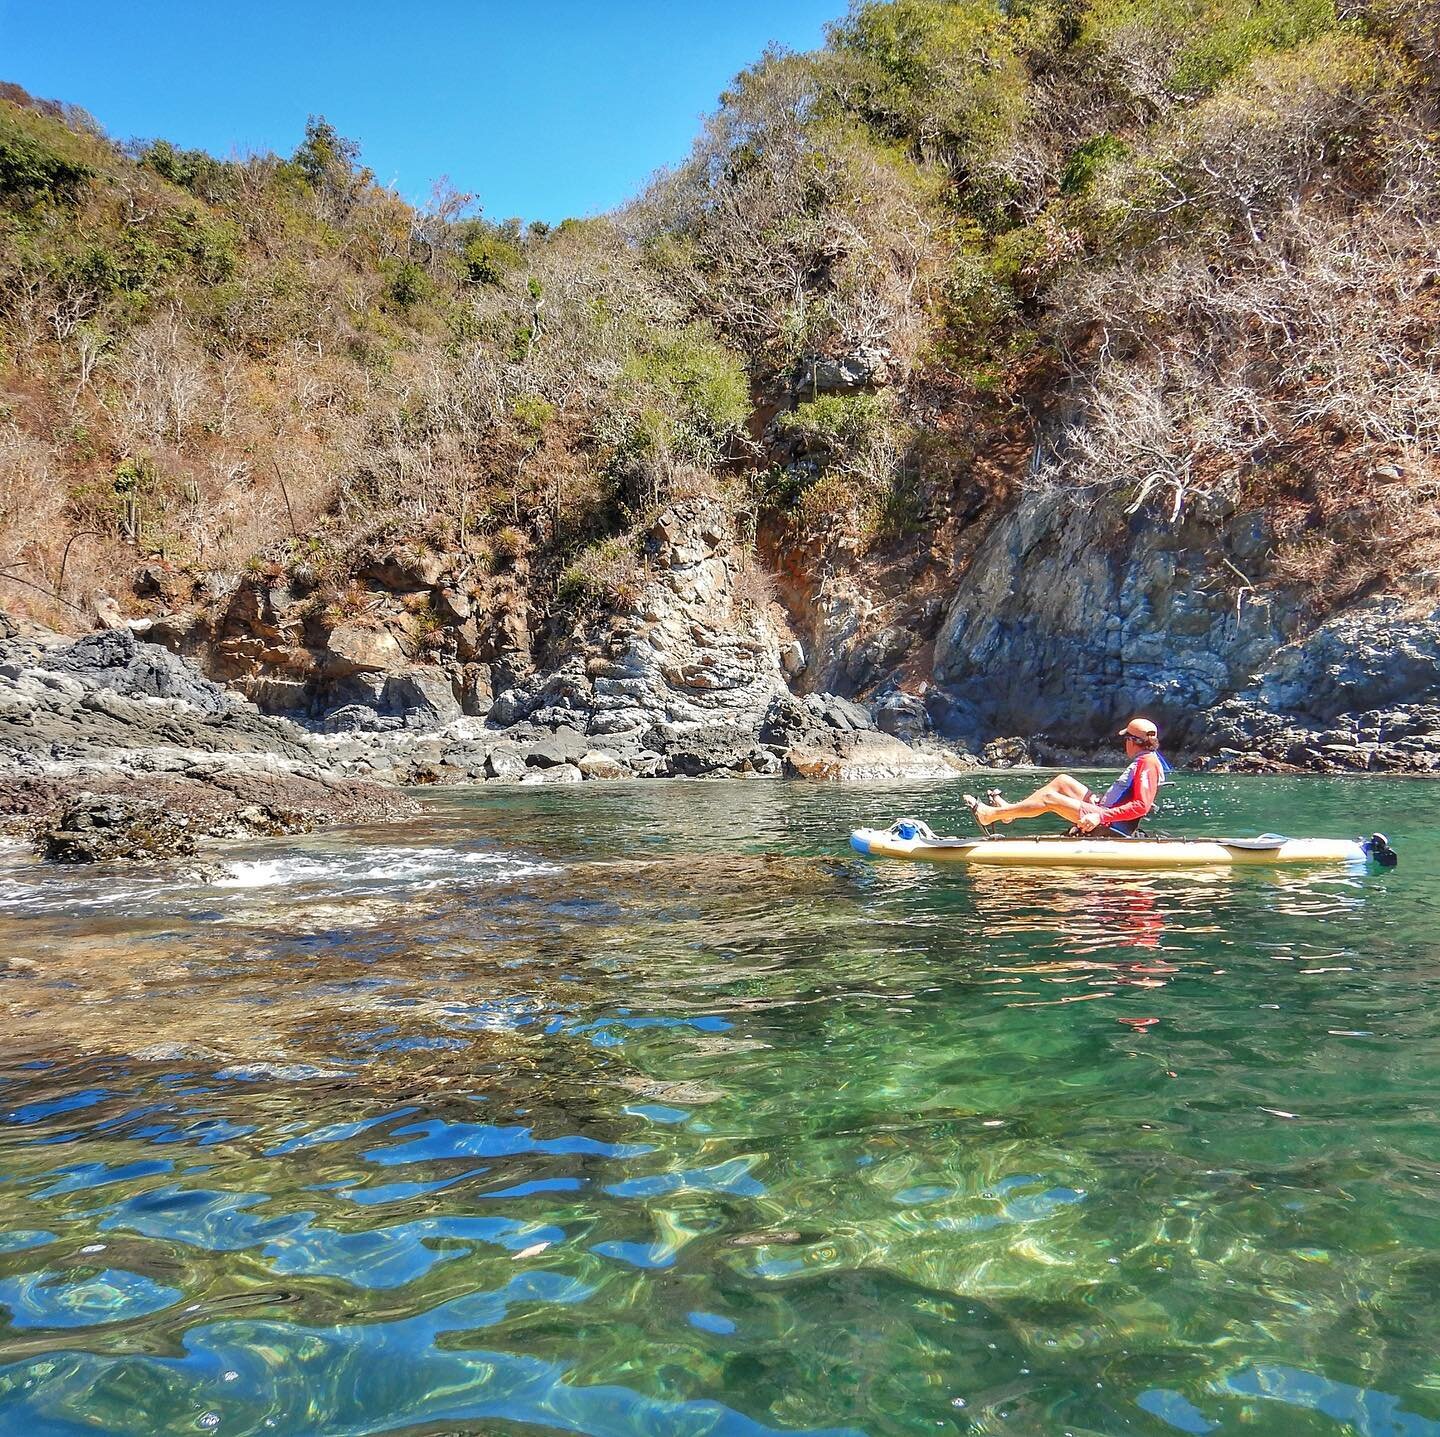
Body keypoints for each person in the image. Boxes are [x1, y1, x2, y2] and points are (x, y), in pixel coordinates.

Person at [964, 718, 1170, 837]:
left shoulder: (1147, 763)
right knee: (1062, 781)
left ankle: (991, 815)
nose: (1125, 743)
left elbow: (1141, 806)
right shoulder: (1145, 759)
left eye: (1126, 738)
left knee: (1050, 800)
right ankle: (1007, 814)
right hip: (1104, 810)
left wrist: (1100, 816)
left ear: (1133, 741)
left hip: (1111, 825)